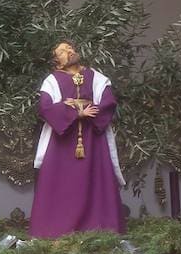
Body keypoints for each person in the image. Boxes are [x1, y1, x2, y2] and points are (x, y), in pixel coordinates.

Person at [29, 40, 126, 238]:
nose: (70, 51)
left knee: (96, 182)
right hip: (61, 143)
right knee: (62, 186)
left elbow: (108, 103)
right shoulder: (52, 80)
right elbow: (45, 107)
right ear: (57, 62)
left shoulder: (96, 77)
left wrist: (88, 111)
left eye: (70, 48)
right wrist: (75, 112)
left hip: (93, 140)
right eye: (63, 51)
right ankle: (55, 231)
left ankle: (100, 230)